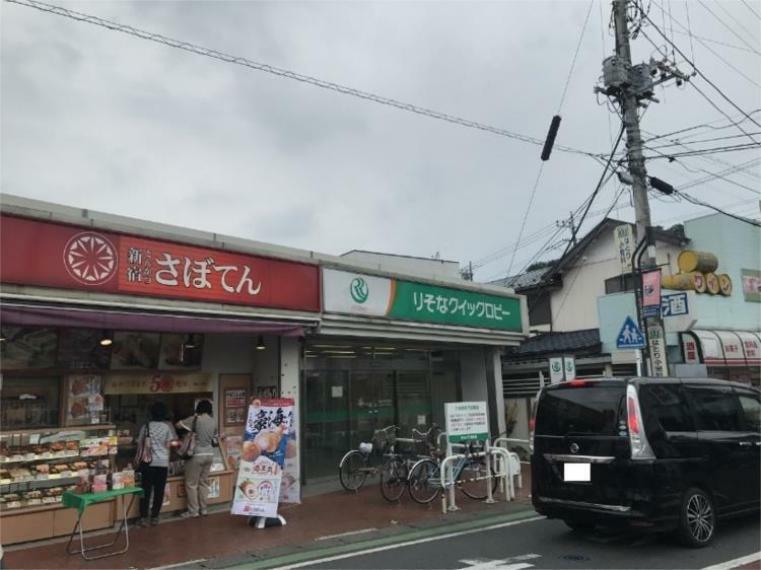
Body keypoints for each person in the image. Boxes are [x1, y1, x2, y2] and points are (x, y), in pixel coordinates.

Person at [137, 401, 178, 527]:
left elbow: (140, 443)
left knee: (146, 490)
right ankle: (155, 517)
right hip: (162, 463)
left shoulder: (146, 427)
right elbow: (170, 444)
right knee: (159, 491)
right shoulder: (166, 427)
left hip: (148, 462)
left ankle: (143, 517)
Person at [177, 399, 219, 518]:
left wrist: (192, 419)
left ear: (198, 409)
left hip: (196, 455)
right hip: (209, 455)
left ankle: (193, 511)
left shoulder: (195, 419)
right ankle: (204, 509)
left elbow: (178, 424)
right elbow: (215, 438)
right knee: (203, 483)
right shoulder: (213, 421)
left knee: (191, 484)